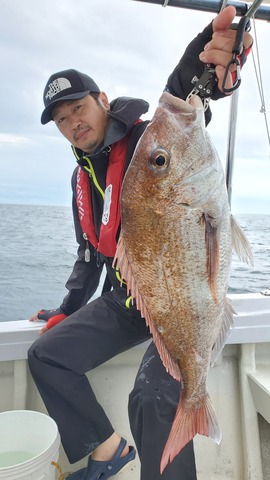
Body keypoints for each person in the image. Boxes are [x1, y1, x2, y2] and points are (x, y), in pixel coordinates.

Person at [28, 6, 253, 480]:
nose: (73, 123)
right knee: (46, 355)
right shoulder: (81, 178)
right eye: (62, 119)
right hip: (130, 300)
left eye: (79, 108)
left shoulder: (145, 142)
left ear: (102, 100)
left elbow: (182, 95)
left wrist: (206, 62)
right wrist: (67, 307)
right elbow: (89, 253)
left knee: (154, 395)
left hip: (181, 299)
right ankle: (107, 449)